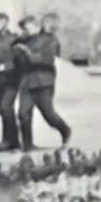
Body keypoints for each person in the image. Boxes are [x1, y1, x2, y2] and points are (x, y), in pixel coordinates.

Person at [14, 12, 71, 152]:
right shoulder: (23, 41)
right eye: (24, 28)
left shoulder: (50, 40)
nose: (25, 31)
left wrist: (27, 53)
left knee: (48, 113)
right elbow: (17, 60)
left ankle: (65, 130)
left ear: (36, 26)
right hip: (27, 81)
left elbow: (46, 59)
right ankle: (27, 145)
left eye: (27, 28)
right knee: (23, 113)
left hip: (44, 81)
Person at [0, 11, 21, 151]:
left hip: (11, 77)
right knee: (3, 110)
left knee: (5, 107)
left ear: (5, 23)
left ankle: (11, 140)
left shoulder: (13, 39)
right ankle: (9, 139)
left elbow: (18, 57)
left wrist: (7, 65)